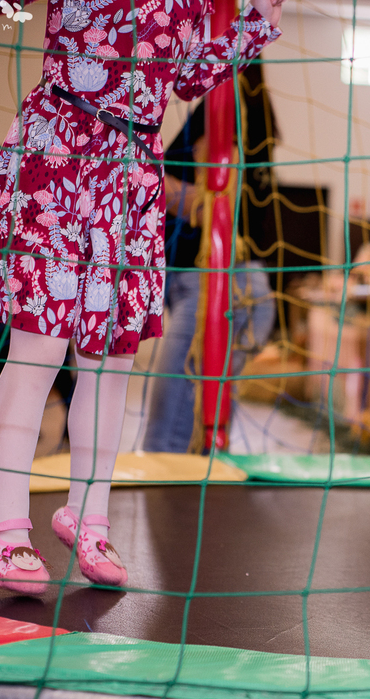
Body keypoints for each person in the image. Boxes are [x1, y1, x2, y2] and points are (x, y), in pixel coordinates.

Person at [0, 0, 284, 594]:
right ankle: (4, 520)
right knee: (40, 349)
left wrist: (254, 23)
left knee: (112, 360)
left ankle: (88, 515)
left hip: (131, 172)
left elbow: (186, 77)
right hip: (60, 151)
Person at [143, 65, 278, 453]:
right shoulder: (252, 106)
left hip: (217, 287)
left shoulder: (225, 99)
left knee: (168, 438)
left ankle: (173, 512)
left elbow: (217, 202)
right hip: (237, 284)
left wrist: (143, 175)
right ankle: (198, 509)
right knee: (202, 432)